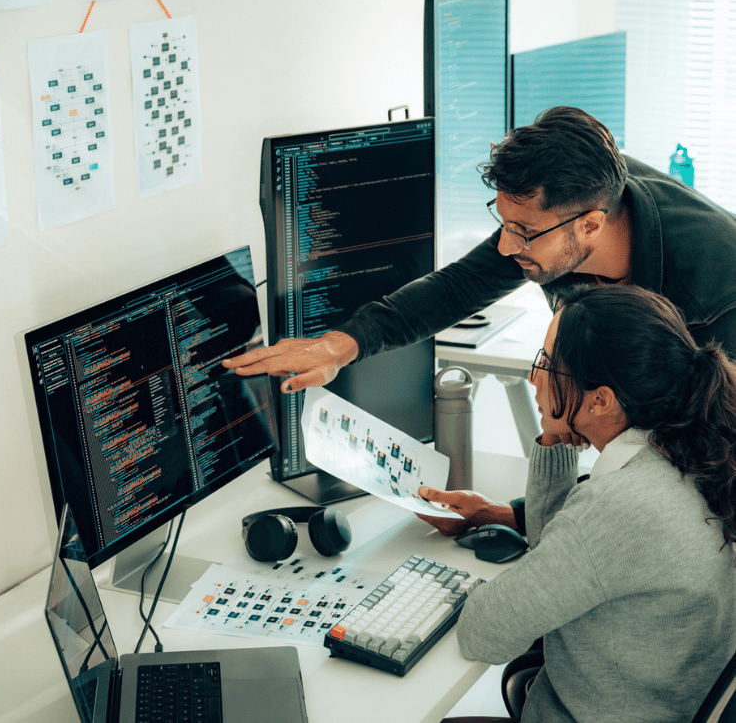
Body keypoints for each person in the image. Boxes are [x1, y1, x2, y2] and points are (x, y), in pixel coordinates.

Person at [223, 105, 736, 535]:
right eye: (503, 223)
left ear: (591, 225)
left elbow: (686, 471)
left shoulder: (714, 285)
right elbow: (458, 286)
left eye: (523, 232)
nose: (508, 247)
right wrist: (342, 344)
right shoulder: (572, 197)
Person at [443, 284, 736, 723]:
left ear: (600, 400)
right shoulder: (697, 453)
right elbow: (557, 552)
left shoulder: (621, 506)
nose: (532, 378)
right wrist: (554, 435)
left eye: (546, 364)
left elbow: (484, 634)